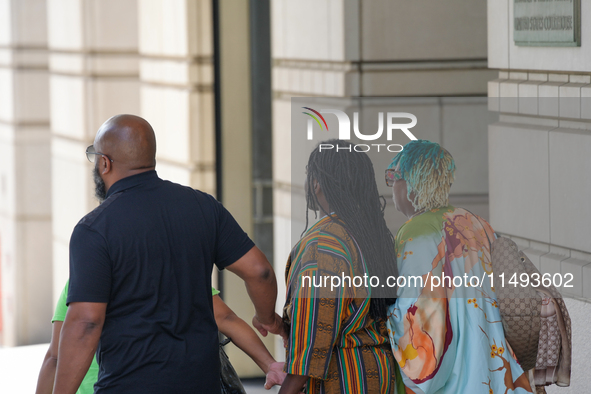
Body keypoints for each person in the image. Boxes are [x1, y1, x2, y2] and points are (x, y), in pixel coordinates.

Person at [53, 114, 283, 393]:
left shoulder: (94, 229)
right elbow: (260, 271)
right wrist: (267, 318)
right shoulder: (203, 207)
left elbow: (86, 323)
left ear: (105, 163)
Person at [385, 140, 532, 393]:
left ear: (411, 181)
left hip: (456, 378)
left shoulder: (415, 232)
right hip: (493, 364)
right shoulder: (476, 222)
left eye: (393, 176)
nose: (391, 186)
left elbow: (420, 313)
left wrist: (382, 317)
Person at [256, 139, 398, 394]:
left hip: (341, 381)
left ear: (318, 183)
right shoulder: (367, 234)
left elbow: (314, 338)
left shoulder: (323, 244)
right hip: (377, 376)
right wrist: (285, 326)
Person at [36, 281, 285, 393]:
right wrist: (269, 364)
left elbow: (56, 357)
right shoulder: (178, 273)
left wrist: (270, 365)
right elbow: (226, 319)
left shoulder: (83, 279)